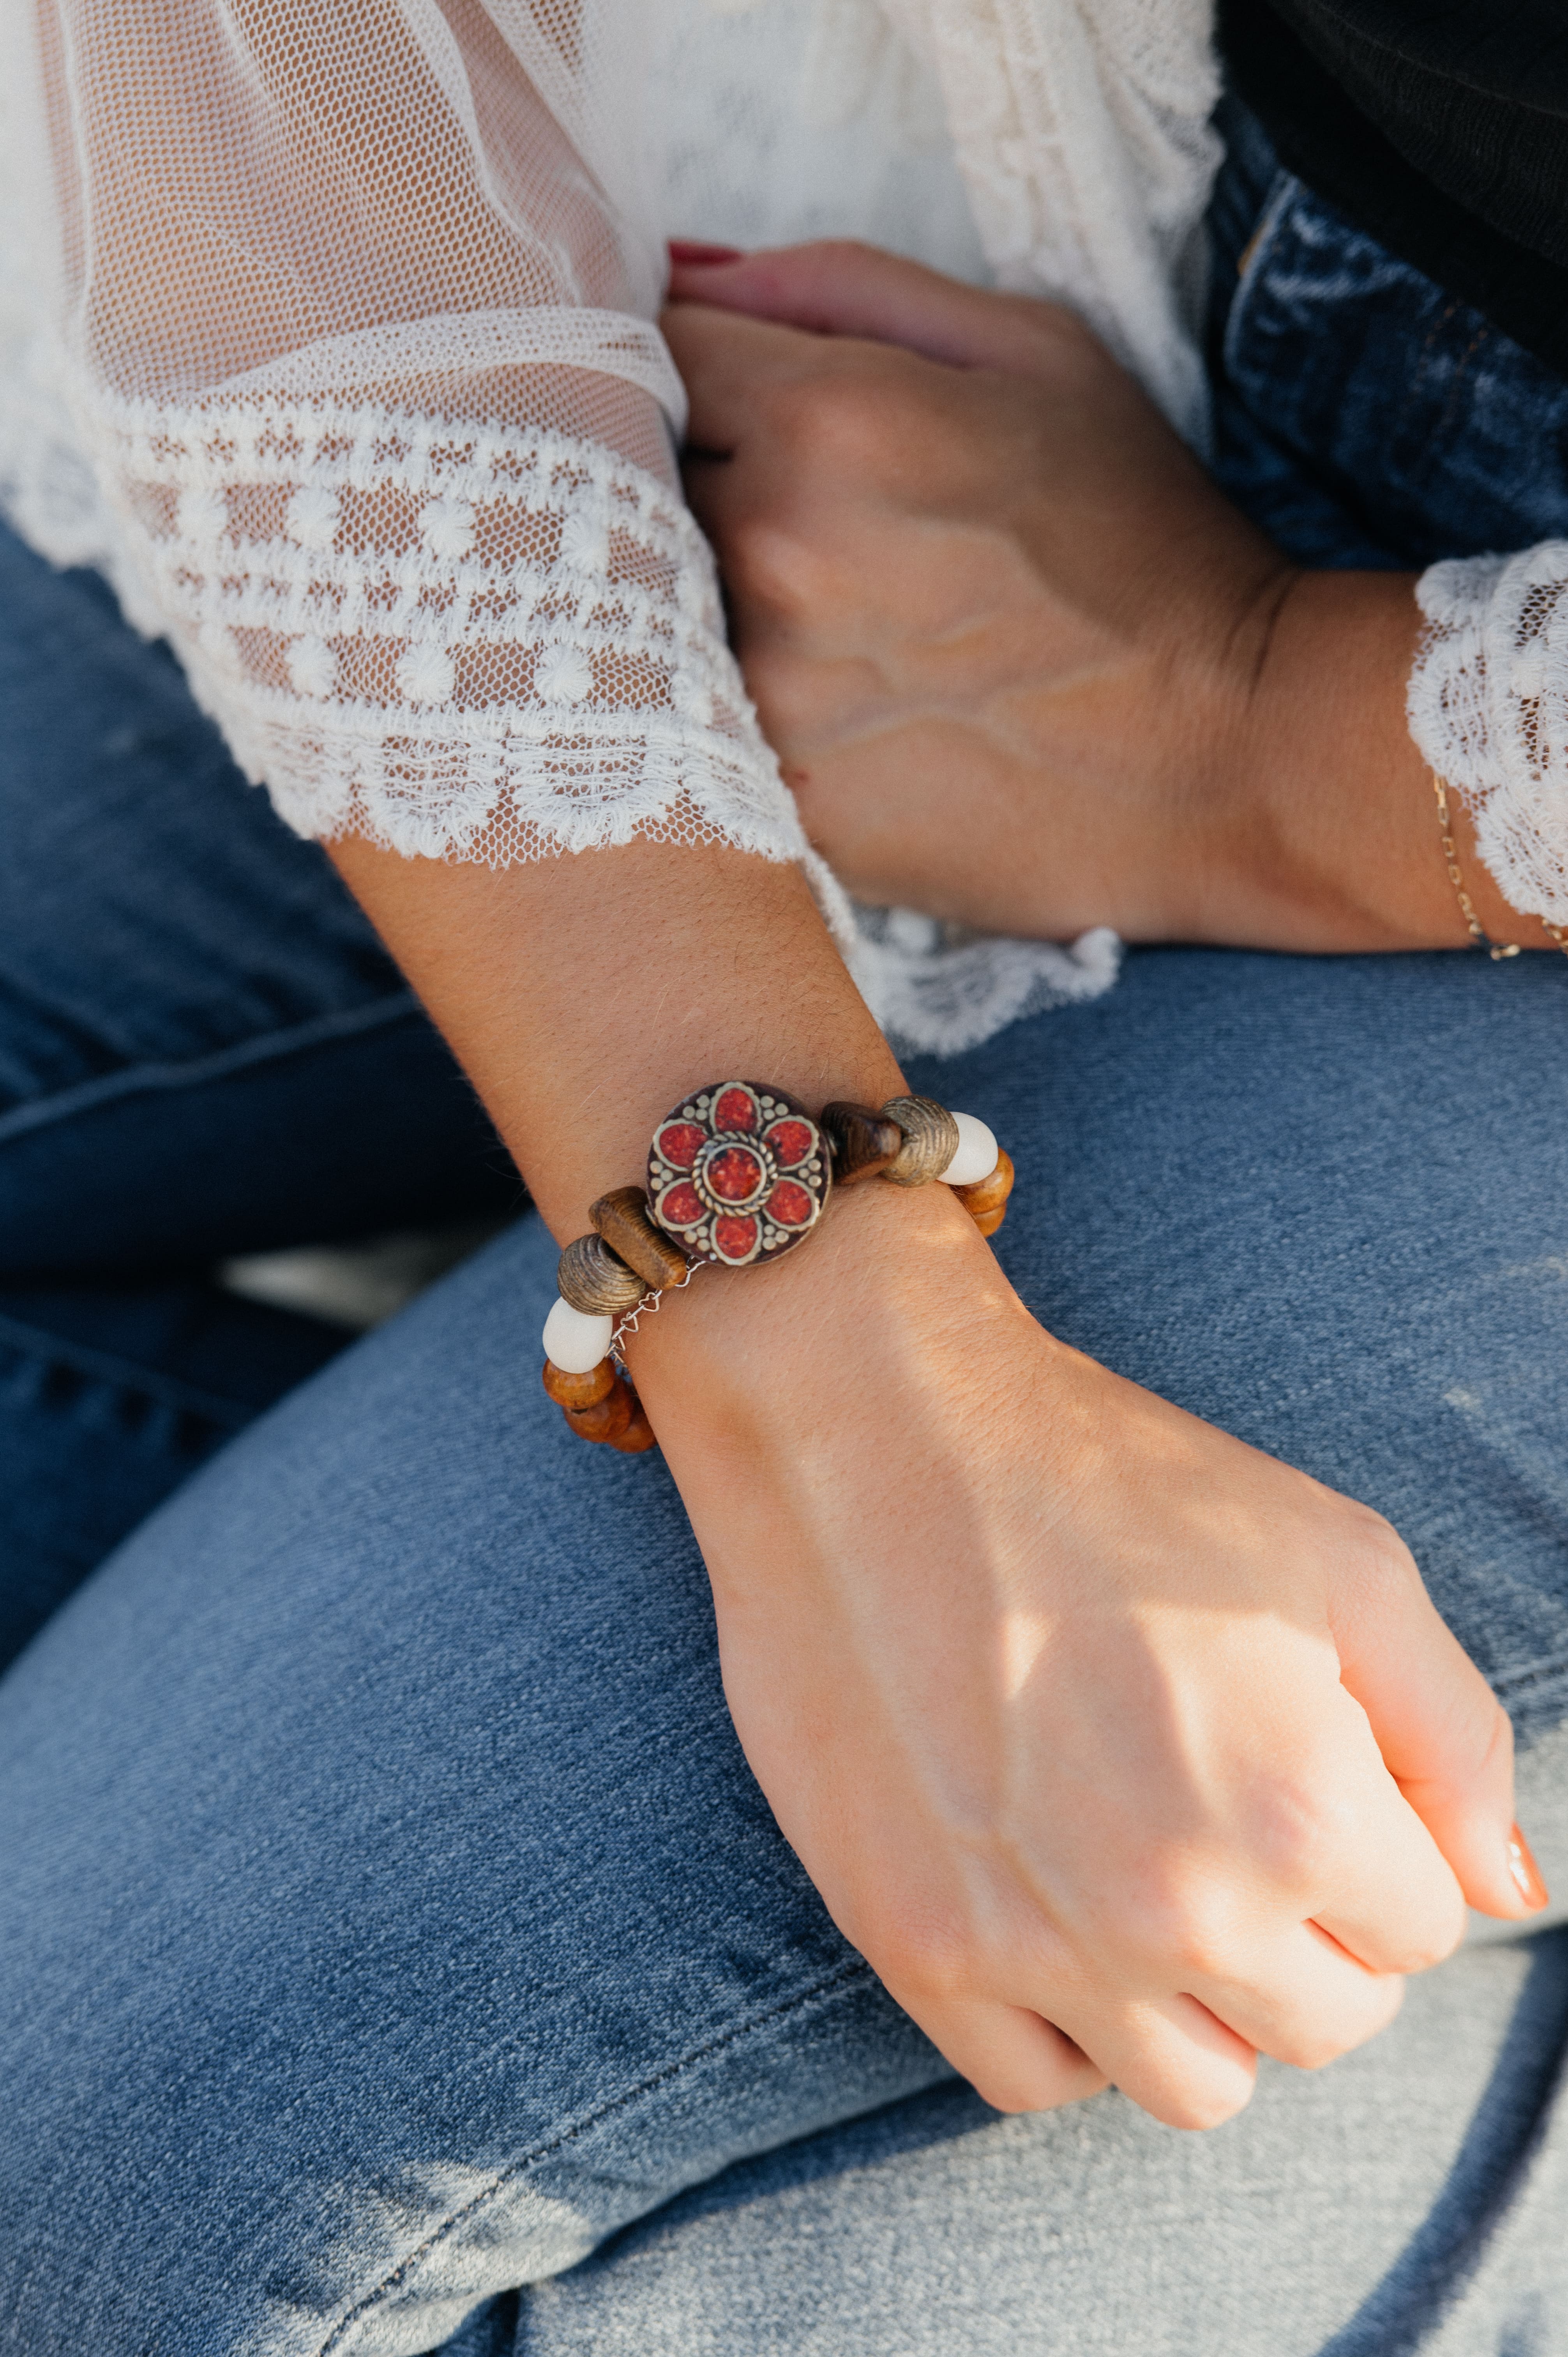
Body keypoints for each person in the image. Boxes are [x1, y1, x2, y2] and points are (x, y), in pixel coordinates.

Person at [2, 3, 1566, 2349]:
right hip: (987, 260)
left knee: (138, 2183)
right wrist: (834, 1361)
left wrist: (1263, 735)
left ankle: (1324, 1884)